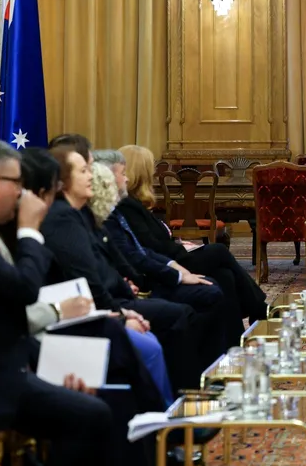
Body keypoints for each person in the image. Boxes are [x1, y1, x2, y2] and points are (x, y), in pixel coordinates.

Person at [0, 138, 114, 466]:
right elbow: (22, 290)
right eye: (17, 184)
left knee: (97, 396)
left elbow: (2, 312)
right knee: (92, 416)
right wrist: (29, 231)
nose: (23, 194)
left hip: (1, 367)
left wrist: (53, 369)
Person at [41, 145, 210, 389]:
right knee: (175, 319)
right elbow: (88, 278)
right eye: (84, 171)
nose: (91, 176)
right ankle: (183, 397)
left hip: (115, 298)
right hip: (94, 311)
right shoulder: (64, 219)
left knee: (206, 289)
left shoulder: (78, 215)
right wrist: (122, 315)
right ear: (63, 181)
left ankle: (189, 390)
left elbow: (109, 263)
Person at [115, 144, 267, 333]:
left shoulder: (134, 204)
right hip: (165, 265)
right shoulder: (127, 206)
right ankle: (259, 308)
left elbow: (155, 240)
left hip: (173, 256)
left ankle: (234, 338)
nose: (153, 173)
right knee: (218, 251)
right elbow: (151, 246)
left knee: (224, 275)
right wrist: (180, 249)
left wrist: (179, 244)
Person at [90, 158, 230, 355]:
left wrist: (175, 266)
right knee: (210, 285)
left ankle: (227, 350)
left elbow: (143, 251)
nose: (127, 179)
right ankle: (205, 363)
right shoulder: (114, 213)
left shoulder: (118, 210)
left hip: (155, 268)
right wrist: (176, 272)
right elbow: (136, 255)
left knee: (222, 277)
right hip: (142, 283)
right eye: (123, 174)